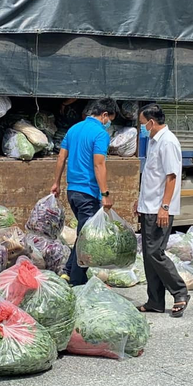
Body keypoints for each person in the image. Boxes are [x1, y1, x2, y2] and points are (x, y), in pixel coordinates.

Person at [50, 97, 117, 286]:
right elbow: (99, 163)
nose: (109, 122)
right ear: (104, 115)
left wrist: (56, 183)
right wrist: (105, 194)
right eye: (109, 118)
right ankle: (77, 281)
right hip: (88, 192)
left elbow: (61, 158)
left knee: (83, 233)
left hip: (72, 191)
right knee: (87, 238)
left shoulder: (74, 129)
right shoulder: (100, 134)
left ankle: (69, 271)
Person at [136, 103, 189, 317]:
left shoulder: (168, 142)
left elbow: (171, 176)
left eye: (142, 124)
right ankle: (155, 301)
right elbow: (151, 175)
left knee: (155, 253)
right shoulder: (153, 141)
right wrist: (139, 201)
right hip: (148, 206)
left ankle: (180, 292)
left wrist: (164, 207)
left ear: (151, 122)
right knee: (149, 256)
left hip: (159, 208)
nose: (141, 128)